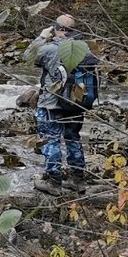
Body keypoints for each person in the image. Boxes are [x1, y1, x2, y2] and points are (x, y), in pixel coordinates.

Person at [22, 14, 99, 195]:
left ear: (59, 29)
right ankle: (77, 180)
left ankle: (53, 181)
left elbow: (27, 57)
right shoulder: (86, 49)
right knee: (73, 138)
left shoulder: (50, 48)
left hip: (52, 103)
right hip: (77, 103)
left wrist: (41, 37)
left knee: (50, 140)